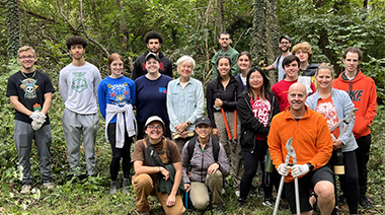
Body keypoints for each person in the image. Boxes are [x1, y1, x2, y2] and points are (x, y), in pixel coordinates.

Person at [268, 82, 335, 215]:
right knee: (305, 213)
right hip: (292, 171)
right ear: (288, 97)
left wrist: (308, 166)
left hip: (315, 167)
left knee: (326, 191)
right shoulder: (278, 120)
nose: (296, 98)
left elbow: (325, 149)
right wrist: (279, 164)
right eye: (293, 95)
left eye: (300, 95)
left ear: (306, 97)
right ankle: (312, 200)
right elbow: (274, 147)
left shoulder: (318, 120)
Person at [306, 64, 359, 214]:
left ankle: (353, 210)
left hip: (345, 144)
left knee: (351, 178)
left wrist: (342, 139)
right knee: (329, 179)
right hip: (323, 147)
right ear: (315, 79)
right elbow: (311, 124)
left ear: (332, 78)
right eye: (321, 77)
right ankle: (332, 209)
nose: (324, 80)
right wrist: (329, 140)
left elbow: (351, 118)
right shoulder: (310, 101)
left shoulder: (342, 96)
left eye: (327, 77)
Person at [332, 47, 377, 209]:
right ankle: (345, 193)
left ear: (359, 62)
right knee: (342, 167)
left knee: (361, 167)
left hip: (362, 133)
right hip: (342, 135)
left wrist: (364, 123)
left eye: (354, 60)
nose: (351, 63)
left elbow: (372, 106)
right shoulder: (335, 83)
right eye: (348, 60)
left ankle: (362, 196)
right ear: (343, 61)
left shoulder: (368, 82)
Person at [6, 46, 55, 194]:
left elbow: (48, 97)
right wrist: (31, 115)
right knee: (23, 153)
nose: (27, 59)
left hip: (43, 121)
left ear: (34, 58)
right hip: (22, 120)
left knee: (45, 151)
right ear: (19, 60)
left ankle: (47, 180)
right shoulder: (14, 79)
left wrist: (41, 115)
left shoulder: (43, 77)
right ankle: (26, 182)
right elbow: (14, 101)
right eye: (23, 57)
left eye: (29, 56)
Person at [237, 67, 280, 206]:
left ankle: (268, 198)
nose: (256, 80)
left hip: (269, 142)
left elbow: (276, 116)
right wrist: (267, 131)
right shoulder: (243, 97)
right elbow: (248, 120)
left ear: (263, 79)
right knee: (249, 171)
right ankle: (242, 199)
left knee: (268, 170)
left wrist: (271, 132)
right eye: (252, 77)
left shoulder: (271, 97)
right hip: (251, 141)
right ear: (248, 81)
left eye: (258, 77)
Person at [59, 35, 101, 178]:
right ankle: (76, 174)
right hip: (71, 113)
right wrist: (73, 104)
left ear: (84, 50)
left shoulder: (93, 70)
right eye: (73, 48)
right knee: (73, 147)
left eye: (79, 47)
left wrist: (91, 105)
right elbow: (64, 93)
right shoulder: (65, 72)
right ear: (70, 51)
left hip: (90, 113)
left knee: (90, 147)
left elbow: (97, 91)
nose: (77, 51)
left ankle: (91, 174)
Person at [97, 53, 136, 194]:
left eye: (120, 64)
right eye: (115, 65)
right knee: (116, 153)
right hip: (113, 121)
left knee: (127, 153)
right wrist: (110, 119)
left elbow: (132, 102)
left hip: (127, 120)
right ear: (109, 66)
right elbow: (102, 106)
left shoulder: (130, 83)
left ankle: (126, 180)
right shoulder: (104, 83)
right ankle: (113, 181)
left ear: (123, 66)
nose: (117, 67)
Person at [131, 116, 185, 215]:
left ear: (163, 131)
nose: (155, 130)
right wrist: (159, 169)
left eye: (158, 127)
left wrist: (173, 194)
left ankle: (165, 197)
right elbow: (138, 169)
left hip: (164, 183)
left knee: (176, 213)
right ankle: (143, 208)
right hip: (147, 179)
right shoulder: (140, 145)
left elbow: (179, 171)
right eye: (151, 127)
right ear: (146, 130)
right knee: (142, 180)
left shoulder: (170, 145)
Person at [206, 55, 243, 196]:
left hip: (234, 117)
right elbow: (209, 106)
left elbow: (241, 103)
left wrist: (224, 104)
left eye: (226, 64)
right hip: (218, 117)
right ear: (217, 66)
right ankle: (220, 182)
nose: (223, 67)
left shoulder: (237, 84)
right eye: (221, 65)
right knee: (219, 149)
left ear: (230, 66)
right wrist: (212, 126)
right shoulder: (212, 85)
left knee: (236, 148)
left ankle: (237, 184)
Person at [181, 117, 230, 213]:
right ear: (196, 129)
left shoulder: (217, 146)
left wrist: (218, 165)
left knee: (216, 174)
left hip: (211, 178)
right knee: (201, 204)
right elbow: (183, 165)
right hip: (196, 180)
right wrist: (186, 181)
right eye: (200, 127)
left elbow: (227, 170)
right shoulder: (189, 145)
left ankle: (218, 204)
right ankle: (202, 194)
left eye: (206, 127)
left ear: (210, 129)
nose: (203, 130)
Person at [167, 56, 204, 152]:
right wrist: (179, 127)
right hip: (176, 130)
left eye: (189, 67)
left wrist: (186, 124)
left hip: (193, 129)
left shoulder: (197, 85)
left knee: (194, 158)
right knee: (178, 160)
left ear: (192, 69)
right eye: (183, 66)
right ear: (178, 67)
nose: (186, 69)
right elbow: (169, 108)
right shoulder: (171, 84)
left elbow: (200, 108)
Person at [135, 52, 173, 139]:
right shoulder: (138, 82)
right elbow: (133, 103)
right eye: (149, 63)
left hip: (163, 125)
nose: (152, 65)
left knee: (163, 151)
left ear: (159, 65)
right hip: (143, 125)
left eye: (154, 62)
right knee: (144, 151)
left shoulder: (169, 82)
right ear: (145, 65)